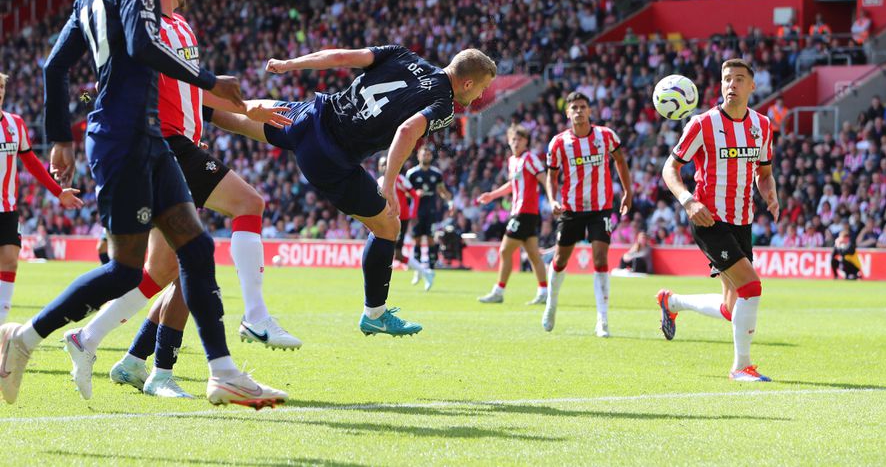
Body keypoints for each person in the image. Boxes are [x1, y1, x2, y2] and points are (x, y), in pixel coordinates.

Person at [0, 0, 286, 408]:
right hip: (125, 138)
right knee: (126, 272)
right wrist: (210, 78)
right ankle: (23, 339)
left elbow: (54, 66)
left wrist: (59, 140)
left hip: (141, 137)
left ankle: (222, 372)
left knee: (195, 249)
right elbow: (140, 45)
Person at [210, 45, 496, 336]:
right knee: (387, 226)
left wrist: (289, 63)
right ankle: (375, 313)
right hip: (330, 157)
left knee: (238, 112)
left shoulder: (403, 55)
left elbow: (342, 57)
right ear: (467, 83)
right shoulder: (444, 105)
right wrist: (388, 182)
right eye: (482, 88)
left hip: (311, 115)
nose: (480, 96)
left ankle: (190, 106)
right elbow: (407, 130)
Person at [658, 58, 778, 382]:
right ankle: (742, 366)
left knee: (731, 306)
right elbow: (670, 169)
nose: (732, 85)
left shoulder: (762, 126)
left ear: (752, 86)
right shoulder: (702, 124)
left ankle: (672, 302)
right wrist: (688, 200)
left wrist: (771, 193)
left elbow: (764, 173)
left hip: (742, 221)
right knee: (752, 286)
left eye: (739, 79)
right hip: (709, 219)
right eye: (727, 79)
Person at [541, 92, 632, 338]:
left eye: (583, 107)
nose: (579, 111)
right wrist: (552, 199)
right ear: (567, 112)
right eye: (574, 107)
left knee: (601, 259)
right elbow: (552, 175)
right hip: (571, 208)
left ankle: (602, 320)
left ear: (590, 111)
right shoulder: (558, 143)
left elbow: (620, 162)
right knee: (560, 260)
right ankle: (551, 303)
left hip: (600, 208)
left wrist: (627, 191)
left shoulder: (606, 136)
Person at [0, 72, 84, 325]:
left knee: (10, 261)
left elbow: (32, 163)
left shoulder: (15, 124)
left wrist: (59, 192)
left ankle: (2, 328)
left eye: (2, 86)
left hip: (7, 207)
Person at [476, 124, 549, 304]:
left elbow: (544, 178)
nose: (516, 143)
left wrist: (553, 201)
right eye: (513, 139)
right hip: (521, 212)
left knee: (504, 250)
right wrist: (492, 195)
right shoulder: (512, 161)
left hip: (524, 212)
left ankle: (499, 291)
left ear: (526, 141)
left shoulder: (530, 158)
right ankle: (544, 291)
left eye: (520, 139)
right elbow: (511, 185)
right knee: (533, 254)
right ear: (509, 141)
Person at [376, 155, 434, 288]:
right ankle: (424, 271)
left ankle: (424, 272)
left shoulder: (400, 179)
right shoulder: (379, 181)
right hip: (387, 220)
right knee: (396, 254)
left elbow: (414, 195)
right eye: (382, 164)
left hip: (401, 219)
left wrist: (412, 214)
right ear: (379, 167)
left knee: (395, 253)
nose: (385, 167)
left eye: (387, 164)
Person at [406, 147, 451, 285]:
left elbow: (442, 191)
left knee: (431, 240)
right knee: (417, 241)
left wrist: (450, 202)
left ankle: (430, 271)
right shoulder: (412, 173)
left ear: (431, 157)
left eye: (428, 154)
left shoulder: (436, 174)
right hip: (416, 212)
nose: (426, 156)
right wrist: (414, 194)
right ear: (419, 156)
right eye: (423, 154)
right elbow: (406, 192)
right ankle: (418, 271)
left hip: (431, 210)